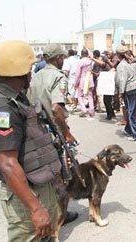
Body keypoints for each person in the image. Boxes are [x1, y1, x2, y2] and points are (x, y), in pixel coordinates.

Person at [0, 40, 61, 242]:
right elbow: (7, 163)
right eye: (29, 68)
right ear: (19, 69)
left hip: (39, 187)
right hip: (27, 196)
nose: (31, 73)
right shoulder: (3, 108)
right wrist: (35, 208)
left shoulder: (17, 98)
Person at [27, 43, 79, 225]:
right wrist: (67, 134)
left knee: (43, 174)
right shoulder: (58, 77)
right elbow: (57, 109)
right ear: (57, 58)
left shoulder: (36, 76)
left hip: (35, 129)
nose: (63, 61)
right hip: (53, 130)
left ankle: (47, 209)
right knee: (60, 174)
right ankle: (58, 215)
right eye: (62, 58)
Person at [115, 45, 136, 141]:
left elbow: (122, 80)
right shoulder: (133, 62)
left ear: (118, 55)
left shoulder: (121, 65)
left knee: (131, 112)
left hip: (129, 89)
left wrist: (120, 94)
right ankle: (128, 129)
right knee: (132, 110)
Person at [75, 49, 95, 119]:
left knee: (80, 96)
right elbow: (91, 54)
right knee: (90, 96)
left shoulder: (80, 62)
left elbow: (77, 74)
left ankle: (83, 109)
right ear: (87, 54)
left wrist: (75, 83)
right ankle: (91, 111)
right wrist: (87, 49)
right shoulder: (90, 60)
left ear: (81, 54)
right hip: (89, 78)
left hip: (83, 80)